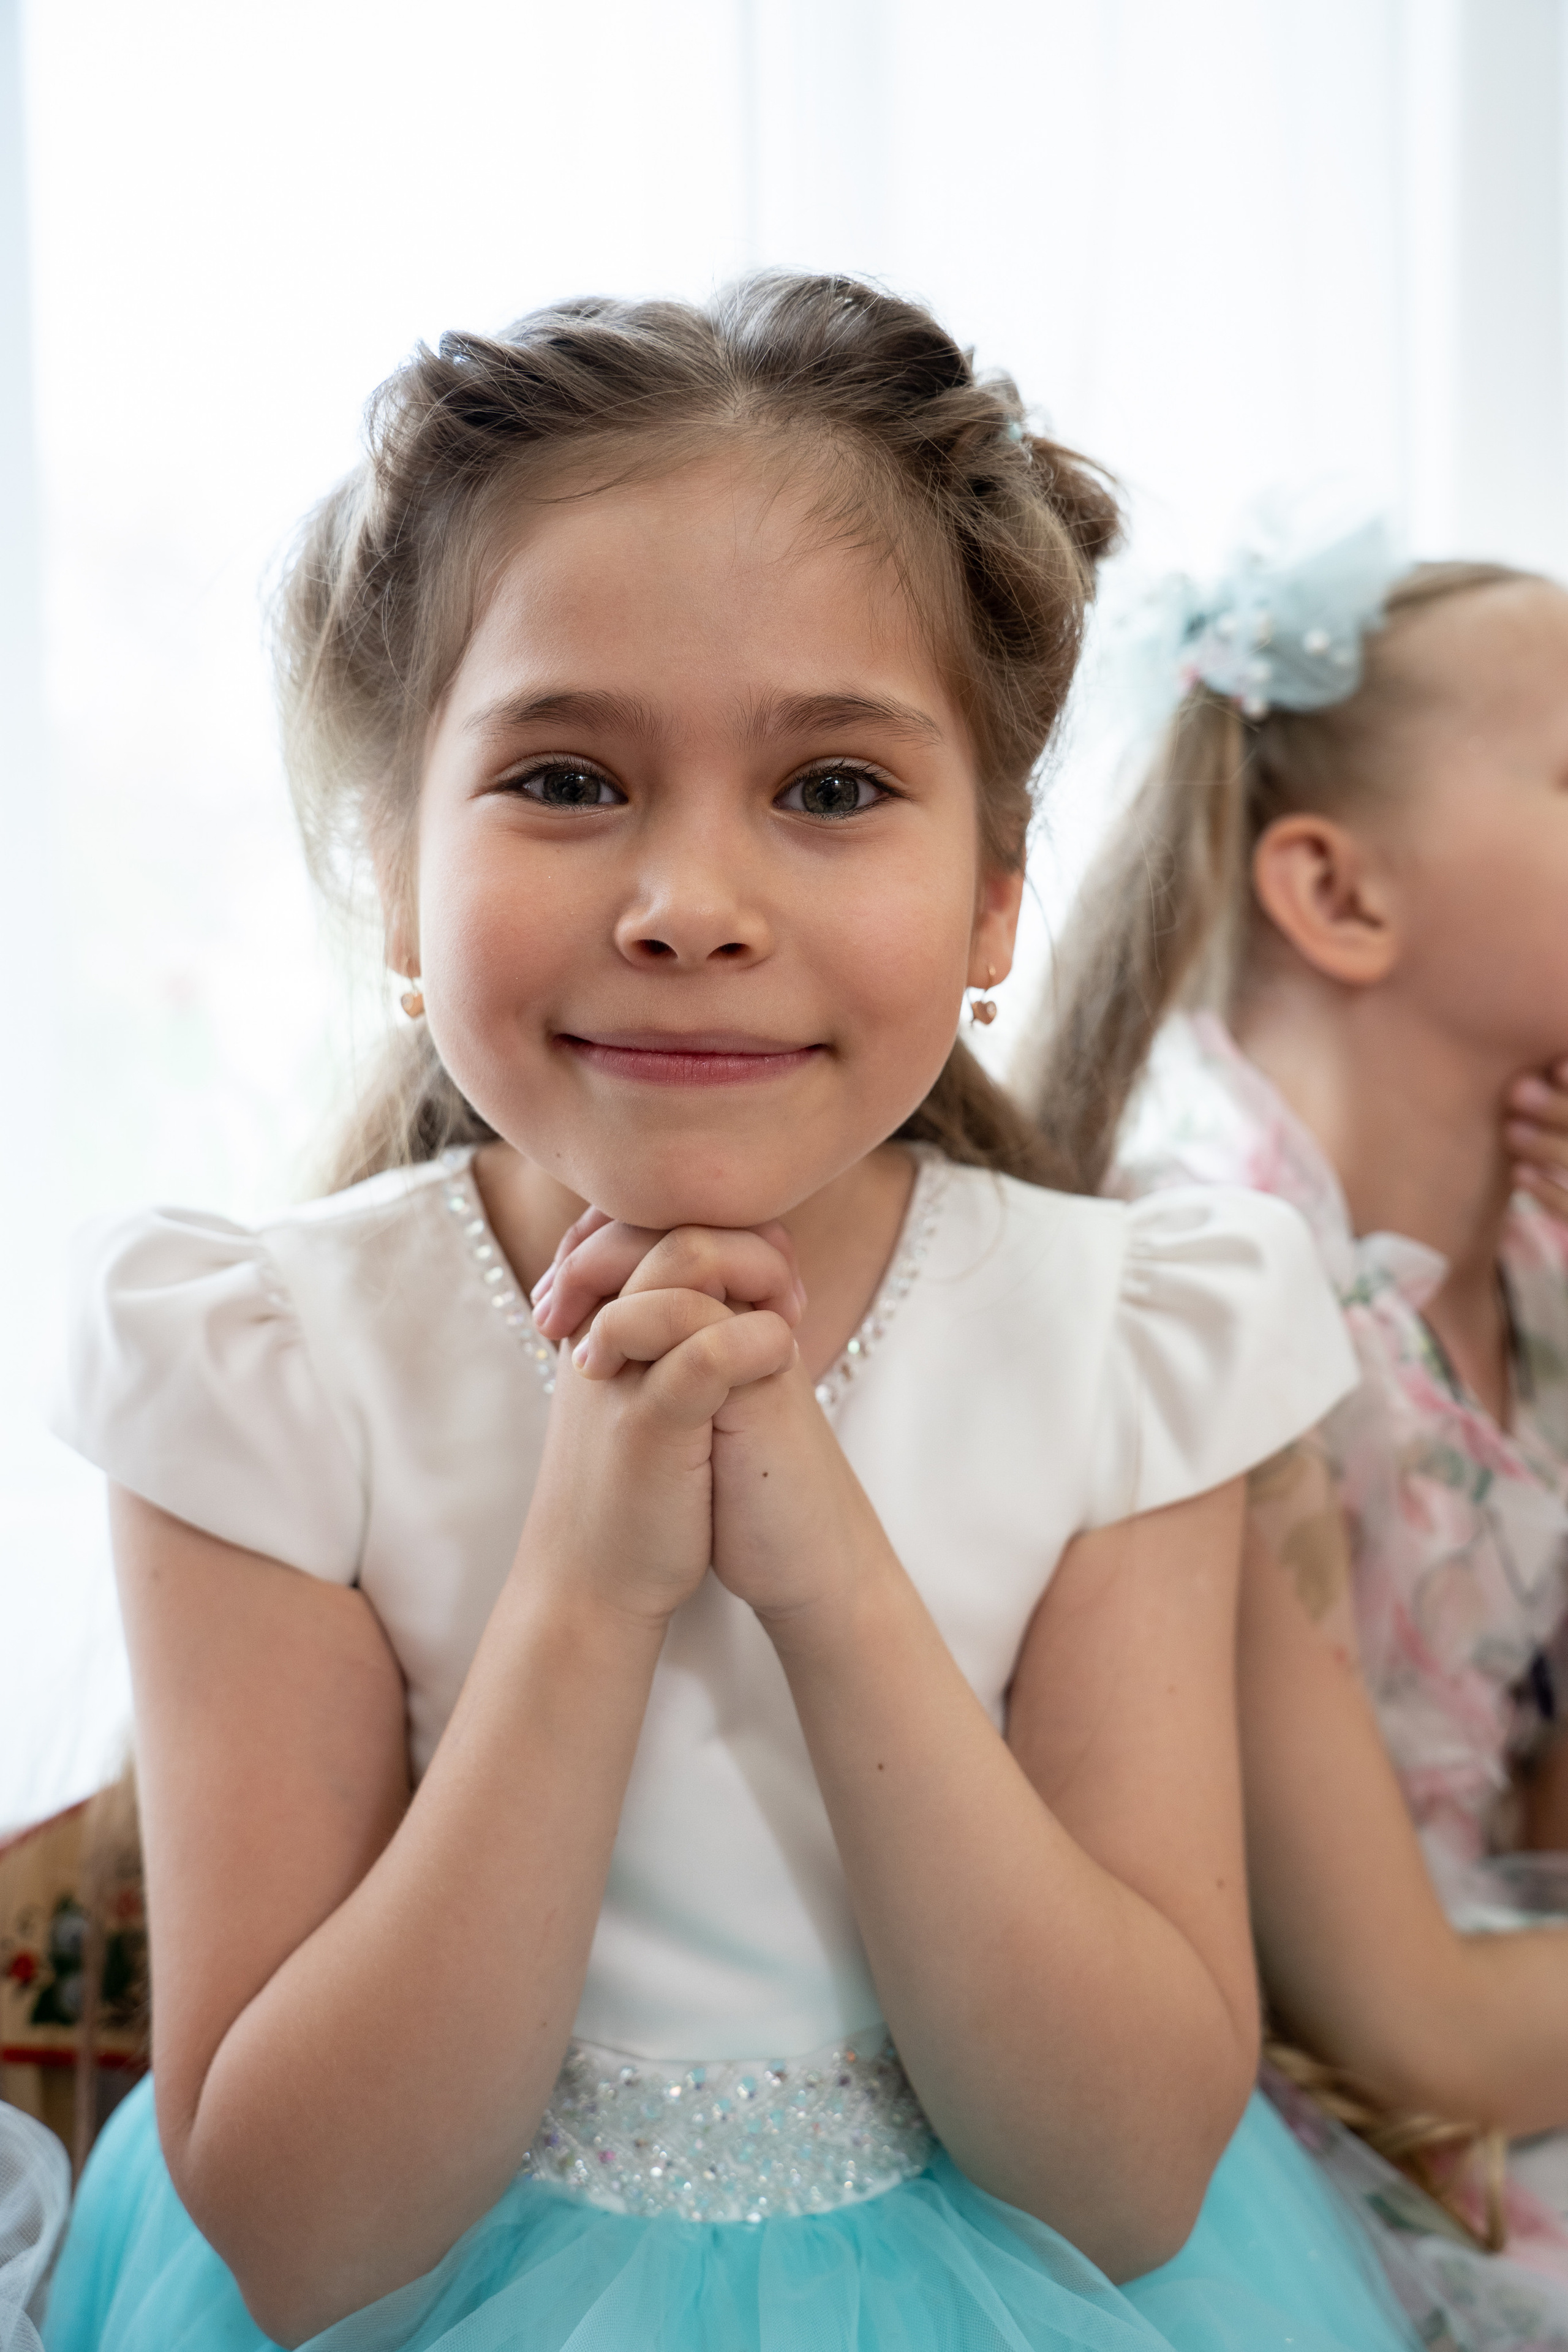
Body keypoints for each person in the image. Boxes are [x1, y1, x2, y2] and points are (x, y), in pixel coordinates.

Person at [40, 277, 1411, 2352]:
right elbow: (310, 2241)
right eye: (569, 779)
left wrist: (834, 1582)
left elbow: (1127, 2180)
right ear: (399, 884)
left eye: (834, 789)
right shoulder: (267, 1365)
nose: (691, 897)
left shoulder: (1130, 1340)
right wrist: (584, 1595)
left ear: (990, 903)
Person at [1035, 526, 1568, 2339]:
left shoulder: (1536, 1255)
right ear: (1338, 894)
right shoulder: (1210, 1306)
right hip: (1309, 2117)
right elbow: (1403, 2028)